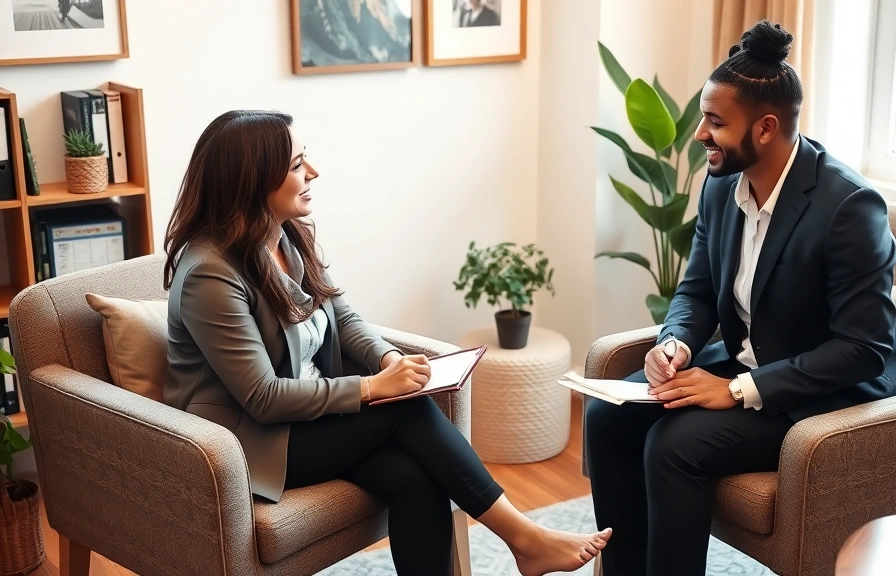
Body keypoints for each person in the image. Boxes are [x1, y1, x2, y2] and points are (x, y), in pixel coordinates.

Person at [163, 110, 611, 576]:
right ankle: (524, 538)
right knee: (406, 408)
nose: (313, 173)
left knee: (417, 479)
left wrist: (389, 358)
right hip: (248, 443)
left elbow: (341, 312)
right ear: (251, 180)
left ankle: (524, 543)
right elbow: (262, 397)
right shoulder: (210, 274)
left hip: (310, 419)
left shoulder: (286, 234)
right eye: (297, 165)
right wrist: (376, 388)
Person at [584, 20, 896, 576]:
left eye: (715, 122)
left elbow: (864, 349)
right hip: (751, 359)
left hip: (833, 392)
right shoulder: (721, 186)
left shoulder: (849, 208)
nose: (699, 136)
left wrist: (740, 389)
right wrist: (676, 345)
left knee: (674, 445)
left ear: (765, 129)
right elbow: (696, 291)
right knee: (607, 415)